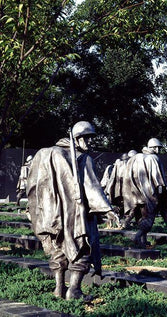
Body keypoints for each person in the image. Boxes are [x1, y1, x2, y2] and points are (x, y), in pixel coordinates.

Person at [26, 121, 120, 300]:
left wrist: (36, 211)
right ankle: (74, 290)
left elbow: (32, 185)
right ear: (77, 138)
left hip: (49, 214)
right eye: (87, 138)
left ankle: (58, 289)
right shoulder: (82, 158)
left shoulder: (45, 154)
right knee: (82, 249)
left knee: (57, 249)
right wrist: (108, 210)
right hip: (75, 216)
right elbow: (92, 188)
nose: (90, 142)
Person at [123, 138, 167, 247]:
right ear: (152, 148)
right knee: (149, 219)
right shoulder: (154, 158)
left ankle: (143, 241)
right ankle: (137, 237)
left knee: (141, 218)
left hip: (136, 194)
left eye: (159, 148)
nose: (158, 150)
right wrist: (160, 193)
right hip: (149, 194)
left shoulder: (136, 157)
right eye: (156, 147)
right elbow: (158, 179)